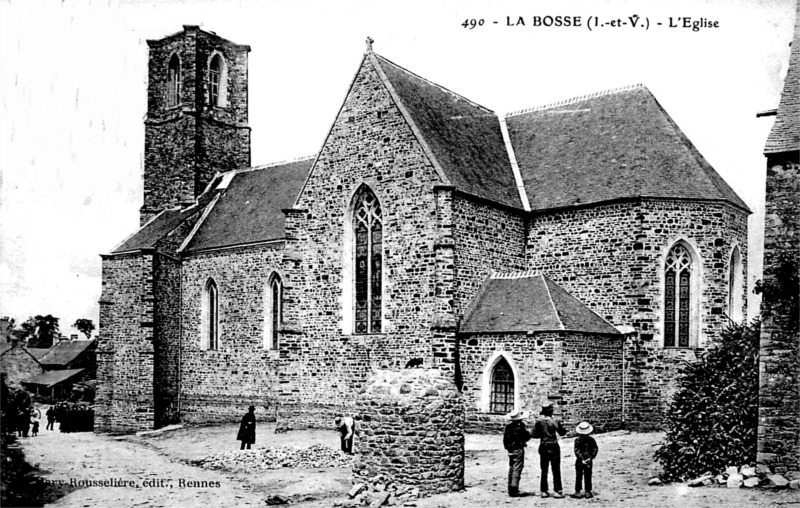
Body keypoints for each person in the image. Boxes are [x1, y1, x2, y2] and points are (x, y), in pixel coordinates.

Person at [531, 401, 567, 498]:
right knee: (556, 469)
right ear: (551, 411)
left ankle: (544, 491)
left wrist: (542, 435)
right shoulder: (554, 422)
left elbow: (533, 435)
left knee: (544, 469)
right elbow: (563, 432)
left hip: (543, 446)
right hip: (554, 446)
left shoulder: (539, 422)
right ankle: (558, 490)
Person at [503, 409, 531, 497]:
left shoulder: (508, 427)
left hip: (510, 449)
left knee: (511, 467)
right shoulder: (520, 427)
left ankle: (510, 487)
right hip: (518, 448)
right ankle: (514, 489)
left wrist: (508, 448)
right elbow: (526, 436)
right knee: (517, 467)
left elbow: (505, 439)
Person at [571, 421, 599, 499]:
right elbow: (595, 449)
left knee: (580, 475)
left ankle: (579, 491)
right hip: (587, 460)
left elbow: (577, 450)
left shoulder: (577, 440)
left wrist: (582, 458)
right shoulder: (591, 440)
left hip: (581, 460)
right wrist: (590, 457)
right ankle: (587, 491)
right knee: (587, 475)